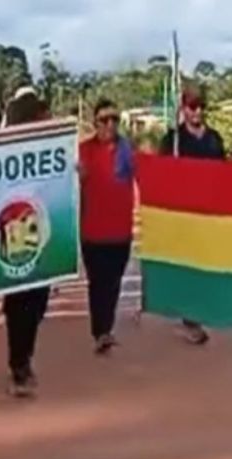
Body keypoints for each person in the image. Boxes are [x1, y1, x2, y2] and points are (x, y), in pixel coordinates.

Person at [159, 87, 226, 346]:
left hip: (210, 211)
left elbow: (224, 172)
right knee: (186, 262)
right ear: (183, 109)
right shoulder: (172, 140)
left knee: (207, 261)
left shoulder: (214, 139)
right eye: (191, 107)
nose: (196, 112)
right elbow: (161, 175)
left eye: (200, 107)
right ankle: (191, 319)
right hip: (183, 214)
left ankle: (201, 309)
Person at [2, 88, 53, 397]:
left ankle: (24, 357)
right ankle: (19, 365)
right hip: (12, 234)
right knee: (20, 303)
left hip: (41, 234)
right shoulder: (5, 151)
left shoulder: (51, 152)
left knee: (37, 303)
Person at [78, 99, 136, 356]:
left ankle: (106, 328)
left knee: (113, 283)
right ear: (95, 123)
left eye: (115, 119)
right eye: (104, 120)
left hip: (121, 230)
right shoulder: (84, 151)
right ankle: (100, 330)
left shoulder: (128, 151)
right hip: (92, 231)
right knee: (97, 283)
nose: (110, 125)